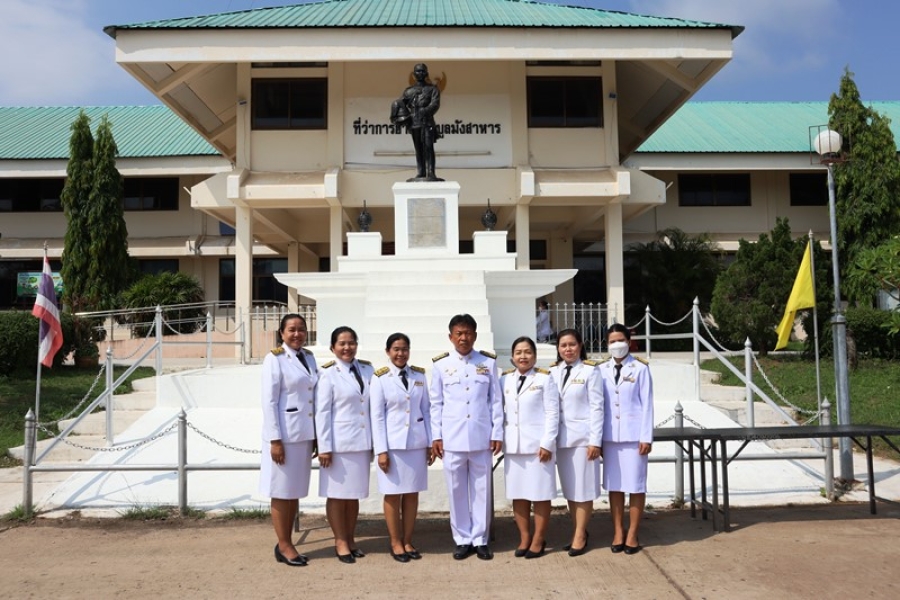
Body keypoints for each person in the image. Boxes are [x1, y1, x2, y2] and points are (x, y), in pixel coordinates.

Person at [430, 314, 503, 561]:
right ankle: (462, 539)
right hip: (452, 438)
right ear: (450, 336)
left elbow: (495, 401)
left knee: (482, 489)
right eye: (459, 333)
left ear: (475, 334)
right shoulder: (440, 365)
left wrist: (497, 433)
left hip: (482, 436)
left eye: (468, 333)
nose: (464, 337)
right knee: (456, 489)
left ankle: (481, 539)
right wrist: (436, 436)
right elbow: (435, 404)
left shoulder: (488, 362)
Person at [259, 313, 317, 567]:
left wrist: (315, 435)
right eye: (291, 329)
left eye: (301, 329)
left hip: (303, 435)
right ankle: (284, 545)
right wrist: (274, 439)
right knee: (282, 492)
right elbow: (269, 401)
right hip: (283, 435)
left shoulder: (309, 357)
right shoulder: (275, 359)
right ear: (281, 333)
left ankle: (286, 541)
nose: (297, 334)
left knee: (293, 491)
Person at [370, 333, 434, 563]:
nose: (401, 353)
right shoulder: (380, 378)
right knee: (393, 494)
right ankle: (395, 542)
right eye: (396, 349)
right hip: (393, 446)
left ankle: (407, 540)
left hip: (416, 444)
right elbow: (376, 417)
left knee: (411, 494)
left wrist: (429, 442)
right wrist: (381, 451)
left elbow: (426, 410)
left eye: (405, 349)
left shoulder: (419, 375)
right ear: (388, 351)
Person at [315, 326, 375, 564]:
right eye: (342, 343)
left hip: (361, 443)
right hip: (338, 445)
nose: (347, 347)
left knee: (353, 496)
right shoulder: (327, 374)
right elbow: (322, 413)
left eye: (351, 343)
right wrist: (324, 447)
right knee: (337, 495)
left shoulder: (368, 370)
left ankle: (350, 539)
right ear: (332, 348)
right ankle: (339, 540)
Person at [501, 336, 559, 559]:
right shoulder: (504, 380)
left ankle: (538, 538)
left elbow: (553, 413)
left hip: (538, 448)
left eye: (527, 352)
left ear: (534, 355)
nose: (523, 356)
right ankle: (524, 537)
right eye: (518, 352)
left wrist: (547, 443)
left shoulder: (545, 379)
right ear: (513, 356)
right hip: (514, 447)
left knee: (540, 494)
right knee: (519, 495)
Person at [600, 323, 654, 555]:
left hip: (634, 437)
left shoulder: (640, 368)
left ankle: (632, 532)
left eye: (620, 340)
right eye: (612, 341)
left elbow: (647, 404)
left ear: (629, 341)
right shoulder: (600, 369)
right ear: (607, 344)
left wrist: (646, 437)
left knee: (636, 486)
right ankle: (618, 531)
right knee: (615, 487)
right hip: (610, 437)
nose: (617, 344)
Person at [550, 328, 603, 557]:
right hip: (561, 439)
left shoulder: (590, 371)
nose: (568, 349)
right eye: (563, 345)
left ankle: (580, 534)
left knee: (584, 489)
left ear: (580, 345)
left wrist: (595, 441)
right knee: (571, 490)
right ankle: (577, 531)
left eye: (572, 344)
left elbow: (597, 408)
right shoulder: (552, 372)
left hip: (583, 439)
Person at [391, 63, 442, 182]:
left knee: (428, 147)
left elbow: (435, 104)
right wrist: (398, 115)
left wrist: (423, 111)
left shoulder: (432, 89)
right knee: (418, 148)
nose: (420, 73)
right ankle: (421, 172)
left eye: (422, 71)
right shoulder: (409, 91)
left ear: (426, 73)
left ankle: (431, 172)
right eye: (418, 71)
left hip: (427, 122)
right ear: (414, 75)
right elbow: (400, 103)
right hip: (414, 123)